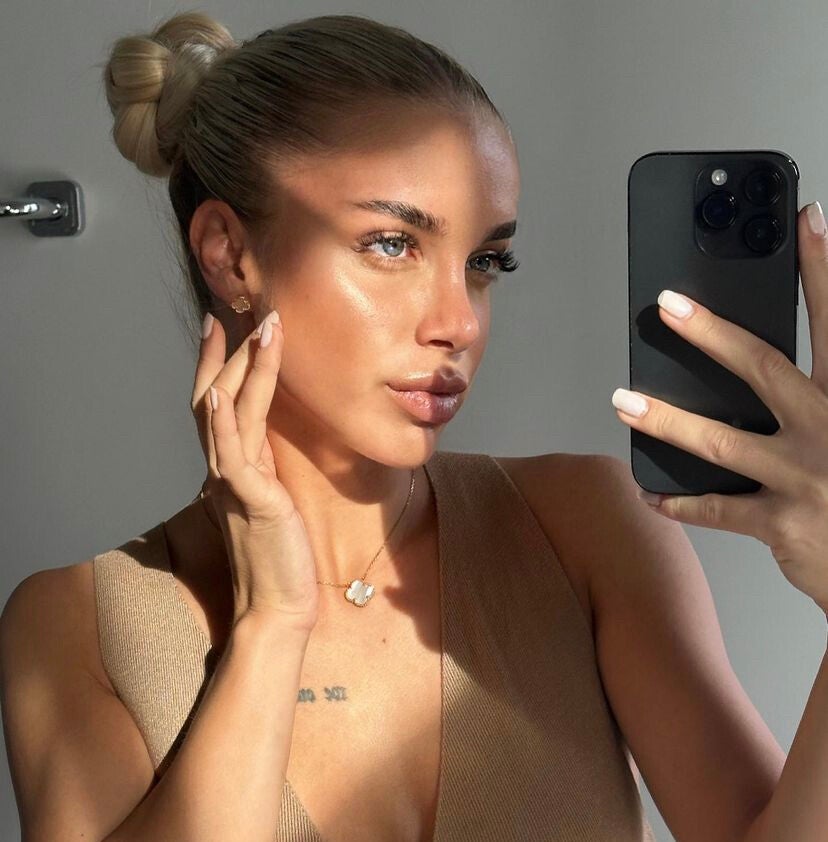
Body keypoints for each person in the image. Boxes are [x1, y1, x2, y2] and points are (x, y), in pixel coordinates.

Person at [12, 10, 825, 842]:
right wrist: (271, 622)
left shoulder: (583, 529)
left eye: (485, 262)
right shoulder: (78, 629)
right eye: (393, 244)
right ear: (229, 253)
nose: (459, 323)